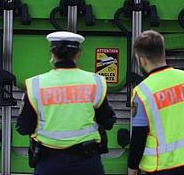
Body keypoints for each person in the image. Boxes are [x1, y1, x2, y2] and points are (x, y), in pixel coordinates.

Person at [16, 31, 116, 175]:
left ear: (53, 54)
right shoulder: (95, 82)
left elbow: (23, 128)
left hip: (49, 163)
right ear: (77, 54)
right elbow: (108, 122)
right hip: (87, 163)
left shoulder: (36, 84)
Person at [128, 30, 184, 175]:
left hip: (164, 166)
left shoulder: (143, 92)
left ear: (142, 60)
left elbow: (139, 135)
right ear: (163, 53)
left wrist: (132, 168)